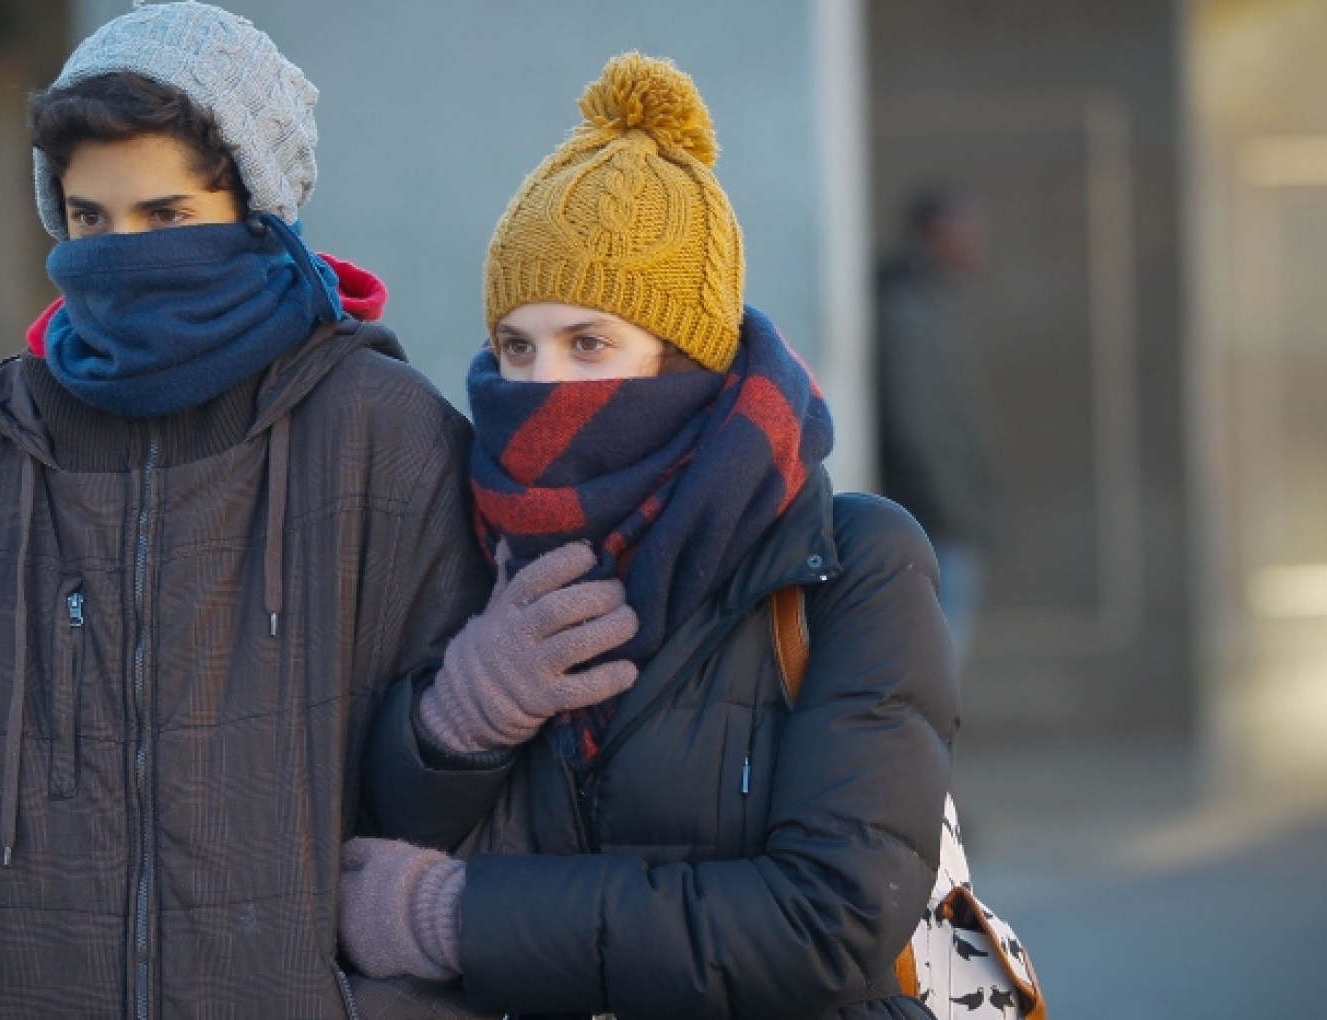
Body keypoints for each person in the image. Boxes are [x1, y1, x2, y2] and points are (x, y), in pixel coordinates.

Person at [0, 4, 488, 1017]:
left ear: (259, 210)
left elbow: (480, 806)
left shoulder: (390, 446)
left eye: (166, 217)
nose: (123, 254)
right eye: (90, 220)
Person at [341, 54, 959, 1020]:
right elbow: (374, 839)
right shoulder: (481, 545)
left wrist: (454, 917)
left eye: (588, 343)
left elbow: (831, 920)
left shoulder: (851, 563)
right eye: (515, 345)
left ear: (689, 359)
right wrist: (456, 724)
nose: (539, 384)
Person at [875, 189, 996, 664]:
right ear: (931, 236)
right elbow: (915, 424)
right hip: (934, 519)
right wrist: (951, 507)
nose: (973, 247)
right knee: (932, 664)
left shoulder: (935, 302)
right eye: (960, 235)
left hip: (949, 515)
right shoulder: (908, 309)